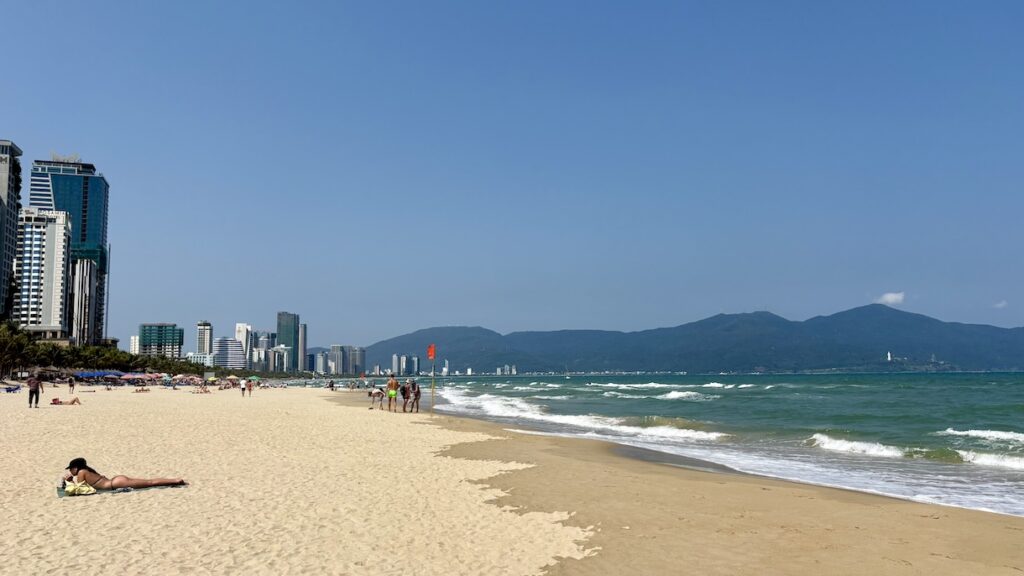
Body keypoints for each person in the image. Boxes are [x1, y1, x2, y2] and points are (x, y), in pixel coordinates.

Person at [63, 457, 186, 491]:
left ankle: (175, 480)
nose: (70, 471)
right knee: (149, 482)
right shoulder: (88, 470)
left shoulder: (81, 472)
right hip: (115, 481)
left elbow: (81, 489)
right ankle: (174, 480)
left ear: (75, 468)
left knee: (150, 483)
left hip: (115, 483)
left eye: (70, 469)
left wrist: (69, 482)